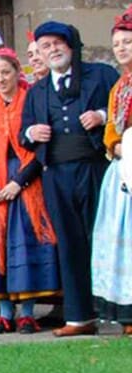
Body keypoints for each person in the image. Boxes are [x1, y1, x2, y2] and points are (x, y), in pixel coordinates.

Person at [20, 21, 120, 337]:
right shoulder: (37, 91)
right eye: (45, 46)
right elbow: (24, 133)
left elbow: (123, 107)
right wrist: (31, 132)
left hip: (93, 169)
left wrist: (101, 116)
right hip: (56, 176)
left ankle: (119, 313)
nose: (52, 50)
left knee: (103, 241)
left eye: (57, 44)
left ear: (70, 46)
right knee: (69, 243)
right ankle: (80, 317)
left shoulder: (102, 75)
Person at [0, 48, 61, 334]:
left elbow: (39, 150)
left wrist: (18, 182)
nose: (0, 79)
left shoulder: (31, 104)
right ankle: (4, 313)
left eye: (5, 72)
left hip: (24, 184)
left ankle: (27, 313)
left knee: (24, 245)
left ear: (18, 73)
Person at [93, 8, 132, 336]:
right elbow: (110, 127)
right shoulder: (119, 86)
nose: (121, 48)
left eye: (128, 42)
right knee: (121, 241)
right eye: (117, 43)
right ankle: (125, 310)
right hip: (122, 166)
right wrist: (116, 144)